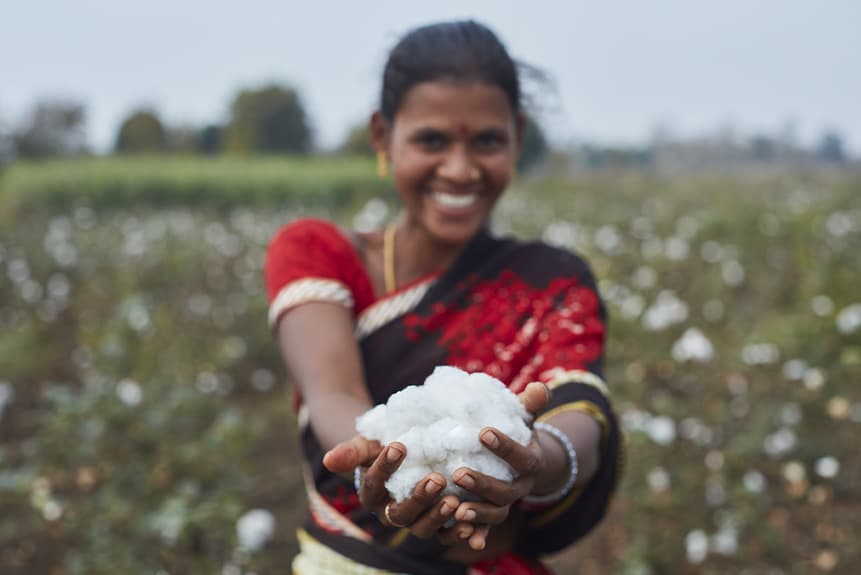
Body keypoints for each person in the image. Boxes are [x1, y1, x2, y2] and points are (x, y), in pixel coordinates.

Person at [265, 20, 622, 575]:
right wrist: (383, 462)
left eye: (486, 141)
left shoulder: (551, 282)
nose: (460, 169)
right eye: (431, 140)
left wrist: (534, 461)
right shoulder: (317, 253)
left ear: (517, 138)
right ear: (383, 137)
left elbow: (580, 415)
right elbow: (332, 393)